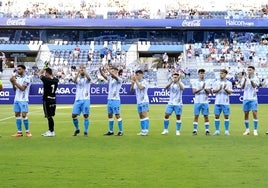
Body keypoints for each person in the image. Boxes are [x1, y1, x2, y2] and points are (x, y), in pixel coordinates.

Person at [99, 64, 124, 136]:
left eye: (113, 71)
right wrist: (100, 69)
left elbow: (114, 75)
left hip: (115, 99)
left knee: (117, 115)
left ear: (116, 72)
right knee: (109, 115)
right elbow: (103, 75)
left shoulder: (119, 79)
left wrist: (108, 70)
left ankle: (120, 131)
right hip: (109, 99)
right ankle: (111, 131)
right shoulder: (110, 79)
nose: (111, 72)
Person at [9, 64, 32, 137]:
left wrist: (14, 82)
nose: (18, 70)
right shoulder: (17, 77)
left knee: (24, 115)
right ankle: (19, 132)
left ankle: (27, 131)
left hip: (23, 99)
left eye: (19, 69)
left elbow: (23, 88)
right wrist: (13, 83)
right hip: (16, 99)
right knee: (17, 114)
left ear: (23, 70)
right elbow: (14, 89)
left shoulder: (27, 78)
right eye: (17, 69)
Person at [39, 65, 59, 137]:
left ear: (47, 73)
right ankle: (51, 130)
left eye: (45, 73)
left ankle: (51, 131)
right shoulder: (56, 80)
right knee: (50, 116)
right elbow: (53, 77)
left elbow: (39, 74)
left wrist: (44, 67)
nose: (44, 74)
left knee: (49, 116)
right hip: (53, 99)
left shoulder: (46, 79)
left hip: (47, 100)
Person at [72, 64, 91, 137]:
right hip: (78, 99)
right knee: (73, 115)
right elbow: (74, 80)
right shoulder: (78, 78)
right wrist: (78, 72)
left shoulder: (87, 78)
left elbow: (89, 79)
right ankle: (77, 129)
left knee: (86, 115)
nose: (81, 69)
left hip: (86, 99)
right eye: (80, 68)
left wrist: (85, 71)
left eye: (83, 68)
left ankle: (85, 131)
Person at [212, 69, 233, 136]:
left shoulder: (229, 83)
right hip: (217, 102)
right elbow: (214, 91)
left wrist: (225, 89)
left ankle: (226, 131)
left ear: (225, 74)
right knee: (216, 116)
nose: (221, 74)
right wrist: (219, 89)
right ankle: (217, 131)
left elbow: (230, 92)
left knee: (226, 116)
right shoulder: (216, 82)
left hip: (225, 102)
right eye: (220, 73)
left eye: (222, 73)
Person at [241, 66, 260, 136]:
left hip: (253, 98)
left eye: (250, 70)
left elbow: (255, 86)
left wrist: (250, 80)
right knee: (246, 114)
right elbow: (242, 87)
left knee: (254, 113)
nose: (249, 71)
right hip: (246, 98)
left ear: (253, 71)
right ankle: (247, 130)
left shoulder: (256, 78)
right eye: (248, 70)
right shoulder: (244, 78)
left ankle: (255, 130)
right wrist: (245, 80)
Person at [130, 70, 150, 136]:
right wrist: (132, 83)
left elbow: (141, 88)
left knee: (144, 115)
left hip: (144, 100)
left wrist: (135, 81)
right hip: (138, 101)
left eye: (137, 75)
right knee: (141, 116)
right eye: (136, 75)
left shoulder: (145, 82)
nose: (136, 76)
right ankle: (143, 130)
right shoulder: (136, 82)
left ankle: (146, 131)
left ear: (141, 75)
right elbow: (131, 90)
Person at [192, 69, 211, 136]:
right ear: (198, 74)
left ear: (204, 74)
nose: (202, 74)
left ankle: (207, 130)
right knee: (196, 116)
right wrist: (201, 88)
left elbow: (208, 92)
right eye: (200, 73)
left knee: (206, 116)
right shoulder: (195, 82)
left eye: (203, 73)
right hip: (197, 102)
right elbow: (194, 92)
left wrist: (205, 88)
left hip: (205, 102)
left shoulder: (207, 82)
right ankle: (194, 130)